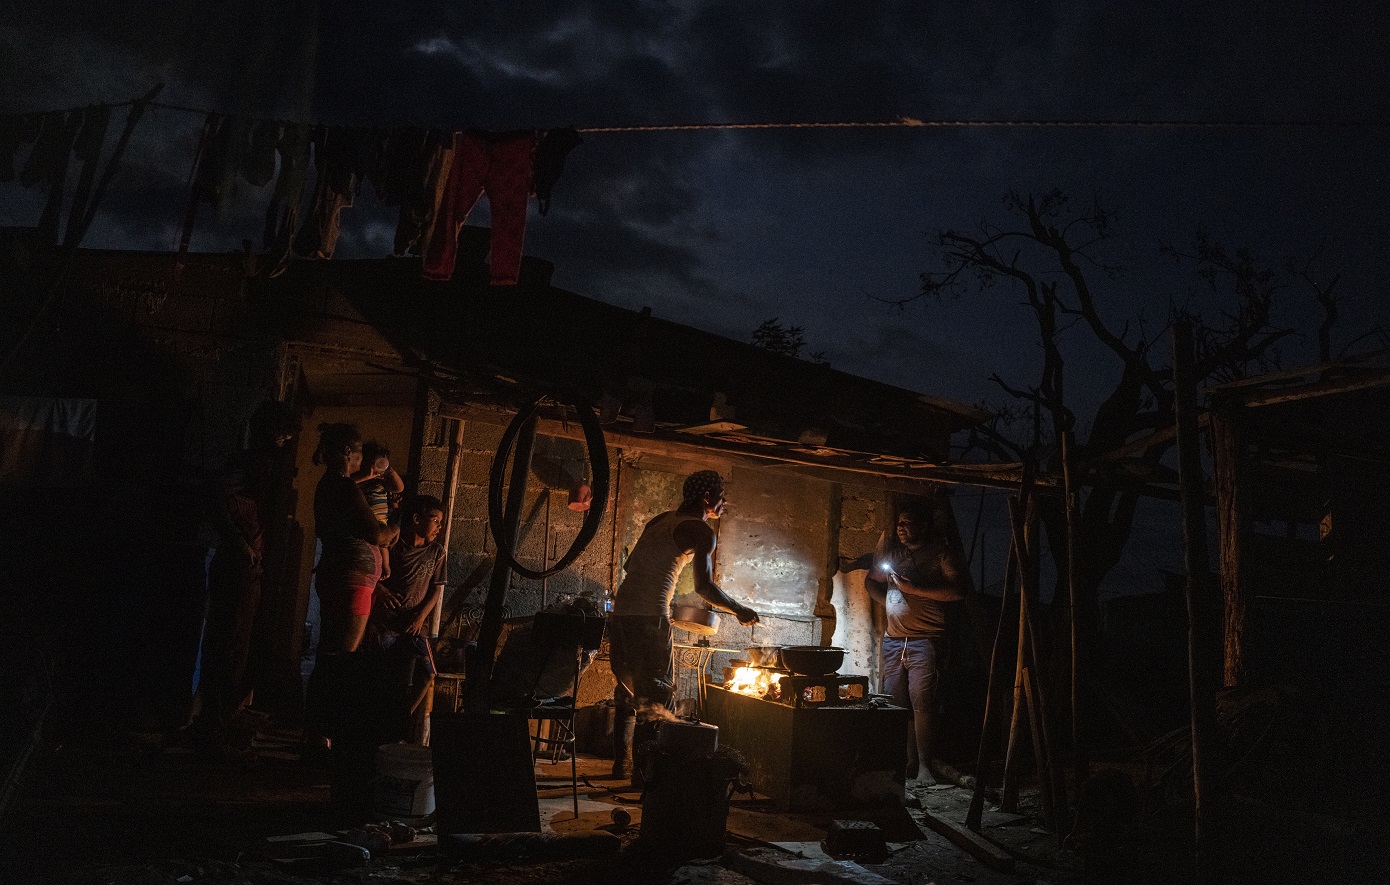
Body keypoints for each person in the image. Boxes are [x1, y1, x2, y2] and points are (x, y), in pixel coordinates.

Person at [608, 469, 759, 780]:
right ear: (706, 498)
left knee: (627, 690)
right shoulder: (702, 532)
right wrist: (738, 608)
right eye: (720, 496)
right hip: (650, 617)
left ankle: (620, 766)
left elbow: (631, 566)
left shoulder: (660, 520)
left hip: (622, 614)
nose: (724, 502)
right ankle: (645, 775)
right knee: (656, 696)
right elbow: (705, 587)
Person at [303, 423, 399, 755]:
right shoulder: (343, 487)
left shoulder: (328, 485)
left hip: (340, 575)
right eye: (359, 452)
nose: (362, 458)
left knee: (331, 655)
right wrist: (396, 526)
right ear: (348, 453)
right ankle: (321, 736)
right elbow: (376, 534)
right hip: (352, 580)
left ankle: (318, 734)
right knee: (340, 659)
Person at [865, 500, 969, 788]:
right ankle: (904, 762)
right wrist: (886, 599)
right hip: (894, 640)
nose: (900, 528)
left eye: (907, 522)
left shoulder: (941, 554)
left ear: (923, 526)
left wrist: (915, 590)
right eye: (898, 523)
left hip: (926, 639)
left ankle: (925, 766)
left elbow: (959, 591)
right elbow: (871, 581)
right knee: (897, 704)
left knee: (922, 703)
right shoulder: (894, 556)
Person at [365, 493, 448, 741]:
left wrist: (421, 617)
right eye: (435, 520)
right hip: (386, 623)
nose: (439, 527)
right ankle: (376, 728)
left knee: (428, 673)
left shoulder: (436, 552)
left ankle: (401, 717)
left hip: (414, 624)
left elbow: (436, 590)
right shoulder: (393, 544)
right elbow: (371, 573)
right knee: (380, 675)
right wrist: (380, 590)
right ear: (416, 519)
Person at [352, 440, 404, 579]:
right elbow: (348, 483)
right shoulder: (357, 480)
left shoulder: (381, 481)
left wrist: (388, 469)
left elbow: (399, 488)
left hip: (382, 521)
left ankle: (385, 567)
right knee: (377, 540)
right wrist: (366, 476)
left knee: (383, 547)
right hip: (366, 520)